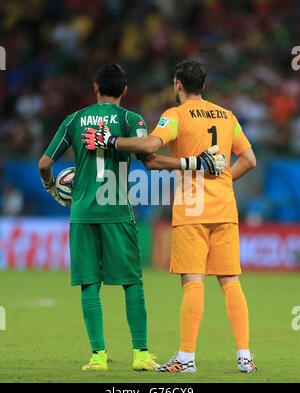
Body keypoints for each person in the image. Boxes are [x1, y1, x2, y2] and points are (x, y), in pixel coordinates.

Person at [38, 62, 226, 372]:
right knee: (132, 284)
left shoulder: (74, 120)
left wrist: (53, 191)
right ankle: (140, 354)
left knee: (88, 284)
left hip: (82, 213)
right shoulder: (131, 119)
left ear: (95, 88)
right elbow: (150, 160)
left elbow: (45, 163)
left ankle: (98, 357)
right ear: (125, 91)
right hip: (117, 210)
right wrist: (195, 163)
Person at [82, 59, 257, 374]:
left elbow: (150, 148)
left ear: (177, 85)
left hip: (192, 209)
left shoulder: (176, 115)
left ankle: (186, 358)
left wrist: (111, 141)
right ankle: (245, 356)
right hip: (226, 208)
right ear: (202, 86)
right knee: (231, 281)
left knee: (193, 282)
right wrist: (223, 179)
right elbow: (250, 158)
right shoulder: (228, 116)